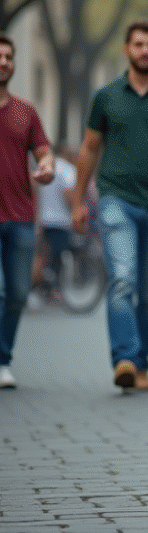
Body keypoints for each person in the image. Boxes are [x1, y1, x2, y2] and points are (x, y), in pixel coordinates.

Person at [70, 19, 148, 391]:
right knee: (123, 278)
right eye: (138, 44)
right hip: (116, 200)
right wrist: (79, 200)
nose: (145, 51)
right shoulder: (107, 97)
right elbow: (89, 148)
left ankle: (142, 364)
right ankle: (124, 358)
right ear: (126, 49)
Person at [0, 36, 55, 389]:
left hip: (20, 215)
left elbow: (44, 152)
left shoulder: (25, 112)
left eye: (8, 56)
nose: (3, 62)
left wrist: (47, 167)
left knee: (19, 293)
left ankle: (3, 360)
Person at [33, 145, 77, 294]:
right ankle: (51, 290)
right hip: (61, 221)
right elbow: (69, 195)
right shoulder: (67, 169)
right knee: (56, 258)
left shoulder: (44, 167)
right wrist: (75, 211)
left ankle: (41, 287)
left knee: (43, 255)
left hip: (43, 219)